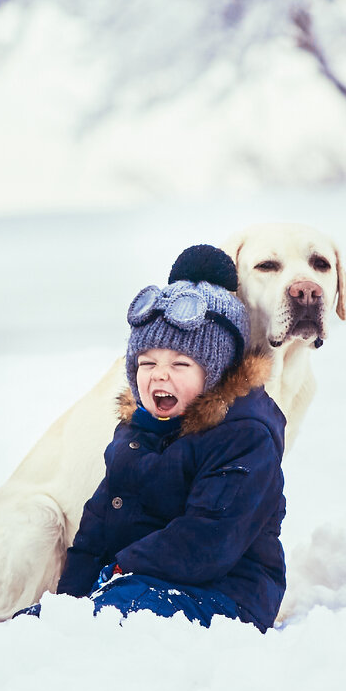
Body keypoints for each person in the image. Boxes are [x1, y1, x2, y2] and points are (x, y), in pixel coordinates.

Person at [55, 244, 287, 632]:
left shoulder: (245, 436)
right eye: (147, 364)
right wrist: (66, 602)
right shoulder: (137, 432)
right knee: (62, 618)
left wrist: (120, 567)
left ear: (215, 371)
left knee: (112, 613)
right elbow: (97, 526)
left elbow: (207, 541)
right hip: (139, 582)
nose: (160, 376)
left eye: (180, 364)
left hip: (228, 595)